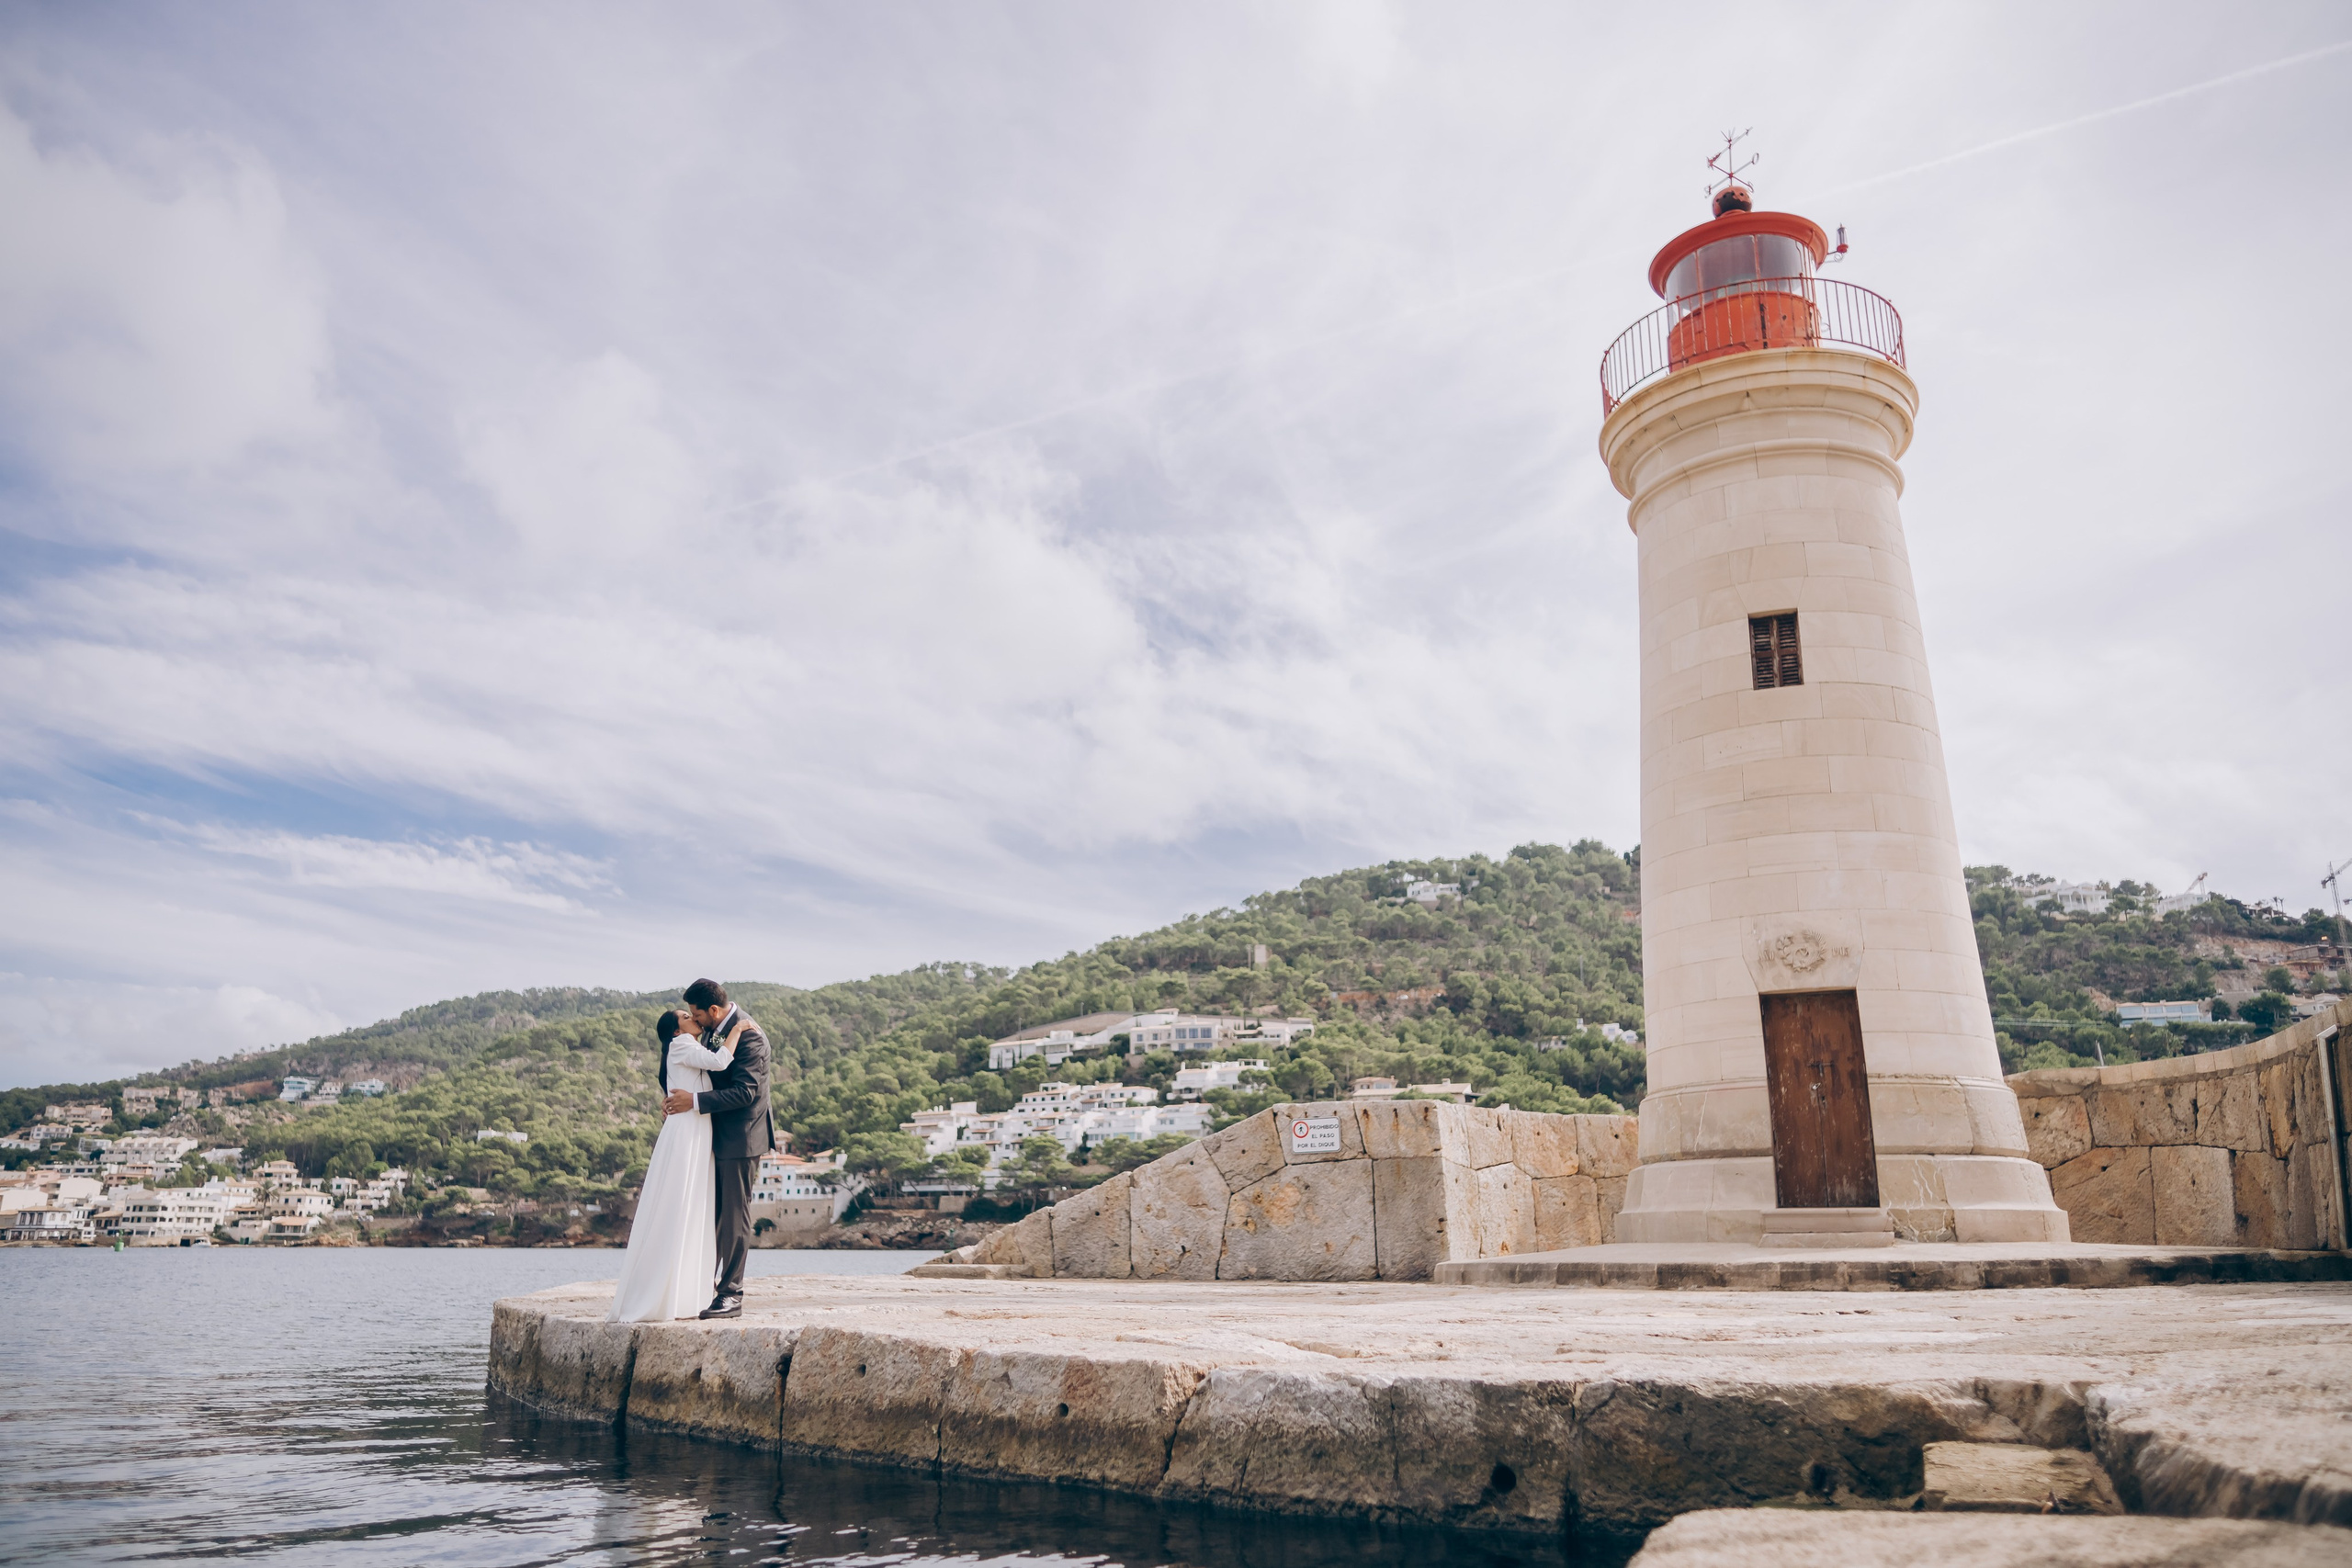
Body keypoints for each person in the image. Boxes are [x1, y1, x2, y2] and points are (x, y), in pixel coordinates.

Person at [605, 1007, 743, 1323]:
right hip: (688, 1131)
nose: (693, 1018)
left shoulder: (685, 1045)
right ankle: (669, 1291)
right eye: (685, 1016)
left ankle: (681, 1292)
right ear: (676, 1032)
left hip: (693, 1128)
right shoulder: (683, 1045)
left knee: (690, 1205)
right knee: (683, 1204)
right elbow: (721, 1061)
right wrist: (739, 1029)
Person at [663, 978, 776, 1320]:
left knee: (733, 1217)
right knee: (710, 1214)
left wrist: (693, 1101)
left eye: (697, 1016)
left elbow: (746, 1093)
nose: (695, 1022)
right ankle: (702, 1285)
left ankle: (731, 1295)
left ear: (713, 1010)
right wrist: (673, 1095)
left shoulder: (751, 1036)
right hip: (710, 1135)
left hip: (741, 1138)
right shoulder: (712, 1031)